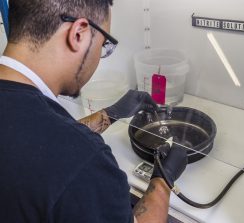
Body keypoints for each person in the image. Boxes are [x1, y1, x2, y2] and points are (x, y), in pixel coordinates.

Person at [0, 0, 188, 223]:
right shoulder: (84, 162)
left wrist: (109, 114)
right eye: (103, 46)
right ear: (78, 33)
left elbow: (31, 140)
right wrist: (162, 181)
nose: (100, 55)